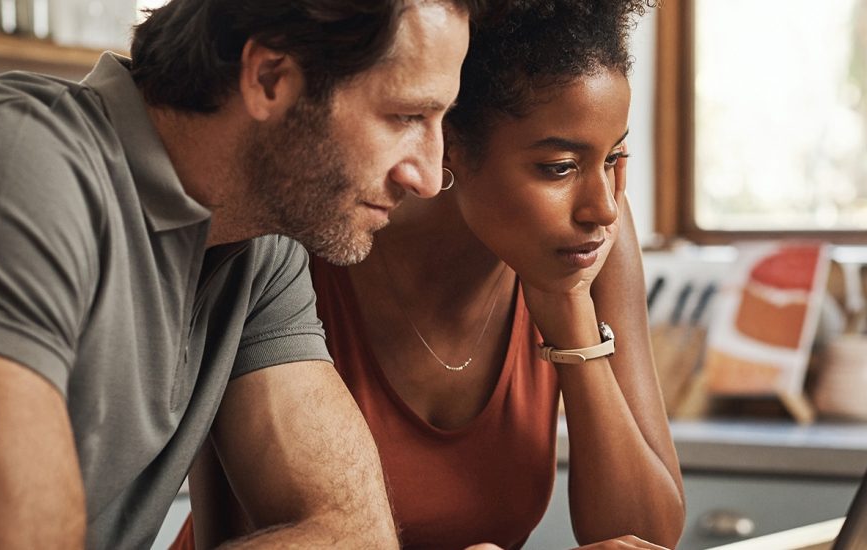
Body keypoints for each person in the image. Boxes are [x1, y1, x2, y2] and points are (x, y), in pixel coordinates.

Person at [0, 0, 481, 547]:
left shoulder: (260, 245)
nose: (429, 177)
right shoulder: (20, 165)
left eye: (441, 121)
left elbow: (352, 531)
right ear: (268, 79)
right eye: (406, 116)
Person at [179, 1, 685, 548]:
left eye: (614, 157)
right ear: (452, 145)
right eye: (558, 168)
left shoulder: (588, 243)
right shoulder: (314, 235)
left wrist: (571, 318)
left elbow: (649, 537)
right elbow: (227, 534)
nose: (603, 207)